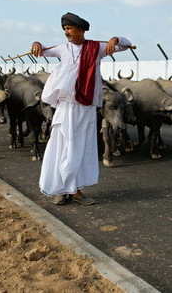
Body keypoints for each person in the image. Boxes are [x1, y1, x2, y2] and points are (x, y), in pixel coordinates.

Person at [31, 12, 133, 206]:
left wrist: (116, 39)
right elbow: (42, 50)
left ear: (81, 30)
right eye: (65, 29)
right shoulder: (62, 49)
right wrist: (36, 43)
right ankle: (60, 189)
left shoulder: (97, 48)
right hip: (66, 107)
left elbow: (126, 45)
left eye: (70, 28)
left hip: (86, 107)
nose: (67, 32)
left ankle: (77, 191)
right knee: (62, 147)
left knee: (81, 148)